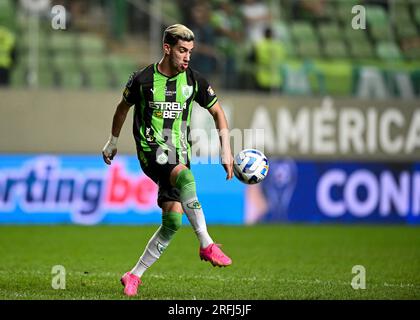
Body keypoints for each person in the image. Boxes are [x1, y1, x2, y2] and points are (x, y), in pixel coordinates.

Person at [102, 24, 234, 297]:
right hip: (151, 151)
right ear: (167, 48)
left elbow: (218, 113)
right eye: (182, 51)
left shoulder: (194, 81)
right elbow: (122, 109)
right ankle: (207, 243)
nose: (187, 57)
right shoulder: (142, 80)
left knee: (173, 222)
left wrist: (227, 150)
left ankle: (133, 275)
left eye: (190, 52)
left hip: (179, 154)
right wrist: (113, 141)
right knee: (185, 177)